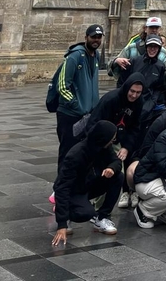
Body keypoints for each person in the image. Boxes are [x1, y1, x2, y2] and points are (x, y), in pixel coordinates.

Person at [52, 120, 123, 246]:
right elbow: (62, 187)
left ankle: (102, 217)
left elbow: (116, 161)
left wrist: (111, 168)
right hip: (74, 190)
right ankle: (67, 214)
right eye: (112, 139)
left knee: (118, 177)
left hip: (90, 183)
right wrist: (61, 224)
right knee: (85, 213)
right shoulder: (76, 155)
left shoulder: (105, 147)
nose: (113, 141)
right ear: (103, 138)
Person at [85, 73, 145, 210]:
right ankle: (97, 207)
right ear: (127, 88)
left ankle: (103, 209)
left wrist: (126, 147)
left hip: (118, 141)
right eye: (132, 91)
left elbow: (135, 127)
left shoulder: (139, 102)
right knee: (102, 172)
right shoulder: (110, 99)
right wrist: (99, 145)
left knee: (117, 173)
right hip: (101, 141)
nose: (134, 95)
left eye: (138, 92)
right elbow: (93, 123)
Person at [53, 25, 104, 176]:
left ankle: (75, 184)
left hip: (86, 115)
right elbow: (62, 86)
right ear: (86, 37)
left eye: (99, 37)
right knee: (67, 152)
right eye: (93, 37)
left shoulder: (96, 55)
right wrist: (77, 105)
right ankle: (61, 186)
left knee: (81, 153)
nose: (96, 40)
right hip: (70, 115)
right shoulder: (74, 56)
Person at [125, 36, 166, 123]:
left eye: (155, 47)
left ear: (159, 49)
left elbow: (158, 88)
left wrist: (150, 104)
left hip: (147, 107)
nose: (152, 49)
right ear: (146, 47)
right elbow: (124, 82)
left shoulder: (160, 66)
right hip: (131, 101)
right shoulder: (135, 61)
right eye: (150, 46)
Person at [109, 16, 166, 81]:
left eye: (156, 28)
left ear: (160, 30)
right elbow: (111, 69)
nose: (154, 30)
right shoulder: (131, 48)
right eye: (151, 27)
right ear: (145, 29)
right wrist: (116, 61)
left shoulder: (163, 53)